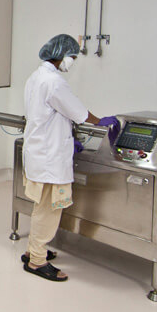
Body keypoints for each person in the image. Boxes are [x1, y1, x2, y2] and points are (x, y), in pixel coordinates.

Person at [21, 34, 120, 282]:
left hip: (39, 150)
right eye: (72, 57)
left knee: (40, 206)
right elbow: (79, 112)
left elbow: (51, 113)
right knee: (48, 209)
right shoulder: (54, 82)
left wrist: (66, 136)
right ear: (61, 54)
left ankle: (33, 249)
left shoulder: (36, 77)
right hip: (49, 156)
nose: (72, 62)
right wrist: (101, 122)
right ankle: (36, 261)